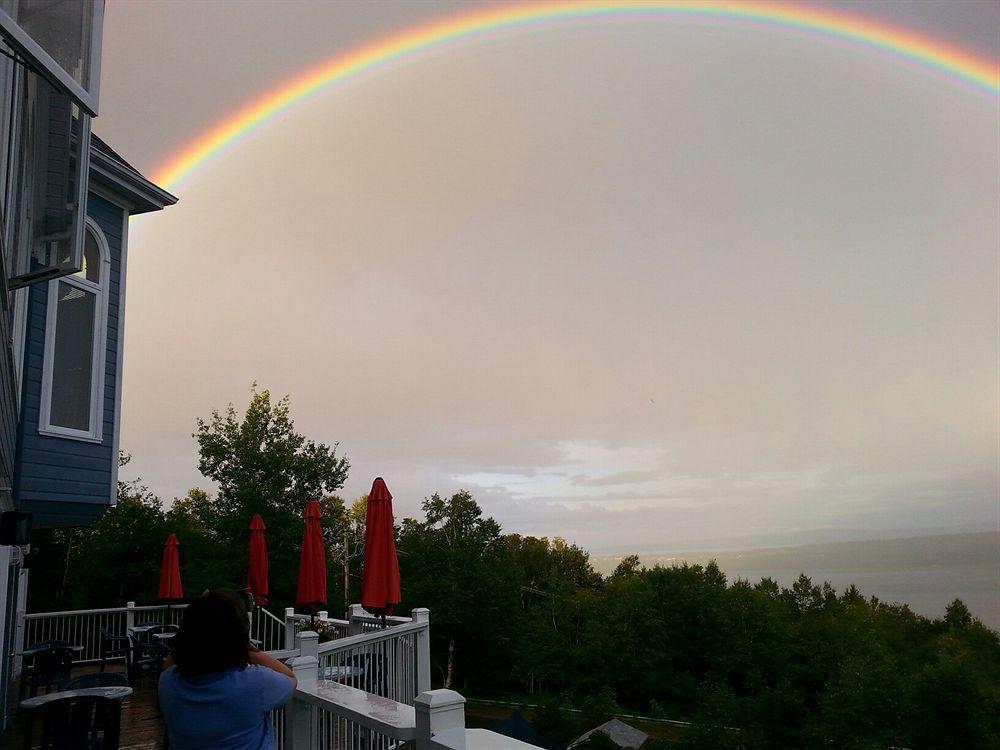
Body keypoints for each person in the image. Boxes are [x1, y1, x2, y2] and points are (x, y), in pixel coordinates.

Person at [159, 589, 297, 750]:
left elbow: (170, 663)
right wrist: (247, 650)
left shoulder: (168, 684)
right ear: (239, 635)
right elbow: (291, 679)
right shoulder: (254, 683)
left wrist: (193, 626)